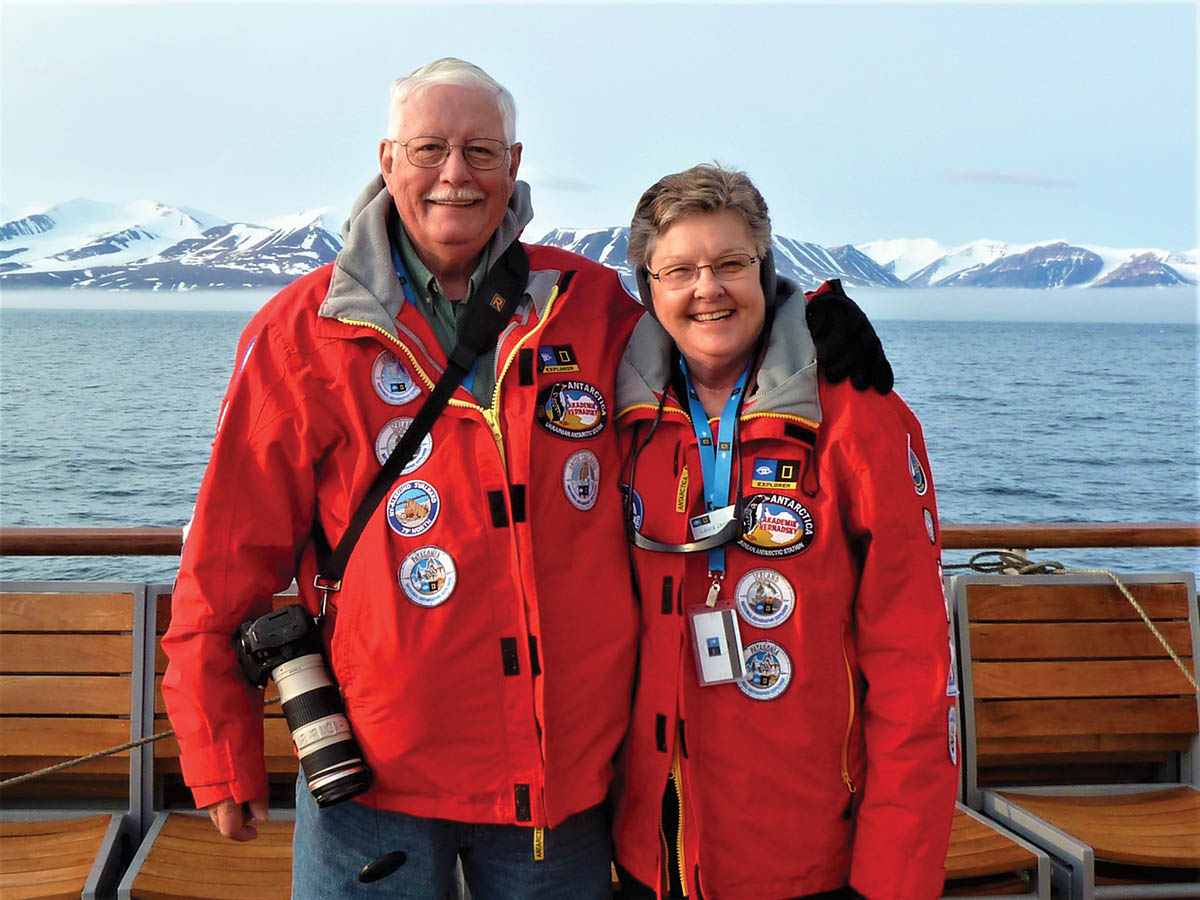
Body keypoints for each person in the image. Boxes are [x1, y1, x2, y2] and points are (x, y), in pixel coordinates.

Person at [162, 58, 893, 898]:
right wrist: (219, 753)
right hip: (374, 775)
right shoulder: (302, 334)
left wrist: (811, 318)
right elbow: (226, 557)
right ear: (388, 159)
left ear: (514, 165)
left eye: (480, 151)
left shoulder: (584, 300)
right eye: (429, 148)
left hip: (561, 778)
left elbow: (708, 329)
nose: (454, 175)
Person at [611, 164, 958, 900]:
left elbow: (914, 668)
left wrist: (894, 880)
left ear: (765, 272)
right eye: (679, 270)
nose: (707, 289)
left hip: (809, 855)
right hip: (649, 848)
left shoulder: (857, 415)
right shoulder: (619, 419)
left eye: (730, 263)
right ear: (648, 288)